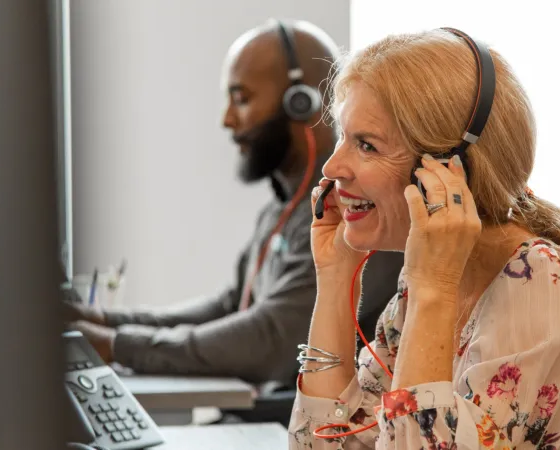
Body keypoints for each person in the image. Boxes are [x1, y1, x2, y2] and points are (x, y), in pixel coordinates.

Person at [289, 29, 560, 449]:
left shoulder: (546, 291)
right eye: (343, 137)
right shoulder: (426, 290)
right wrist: (336, 276)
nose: (333, 166)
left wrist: (432, 289)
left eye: (366, 145)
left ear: (450, 171)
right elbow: (323, 444)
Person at [63, 19, 403, 395]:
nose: (227, 120)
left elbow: (271, 340)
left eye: (241, 99)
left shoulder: (352, 212)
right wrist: (105, 321)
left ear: (300, 102)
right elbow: (232, 305)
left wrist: (117, 345)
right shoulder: (283, 211)